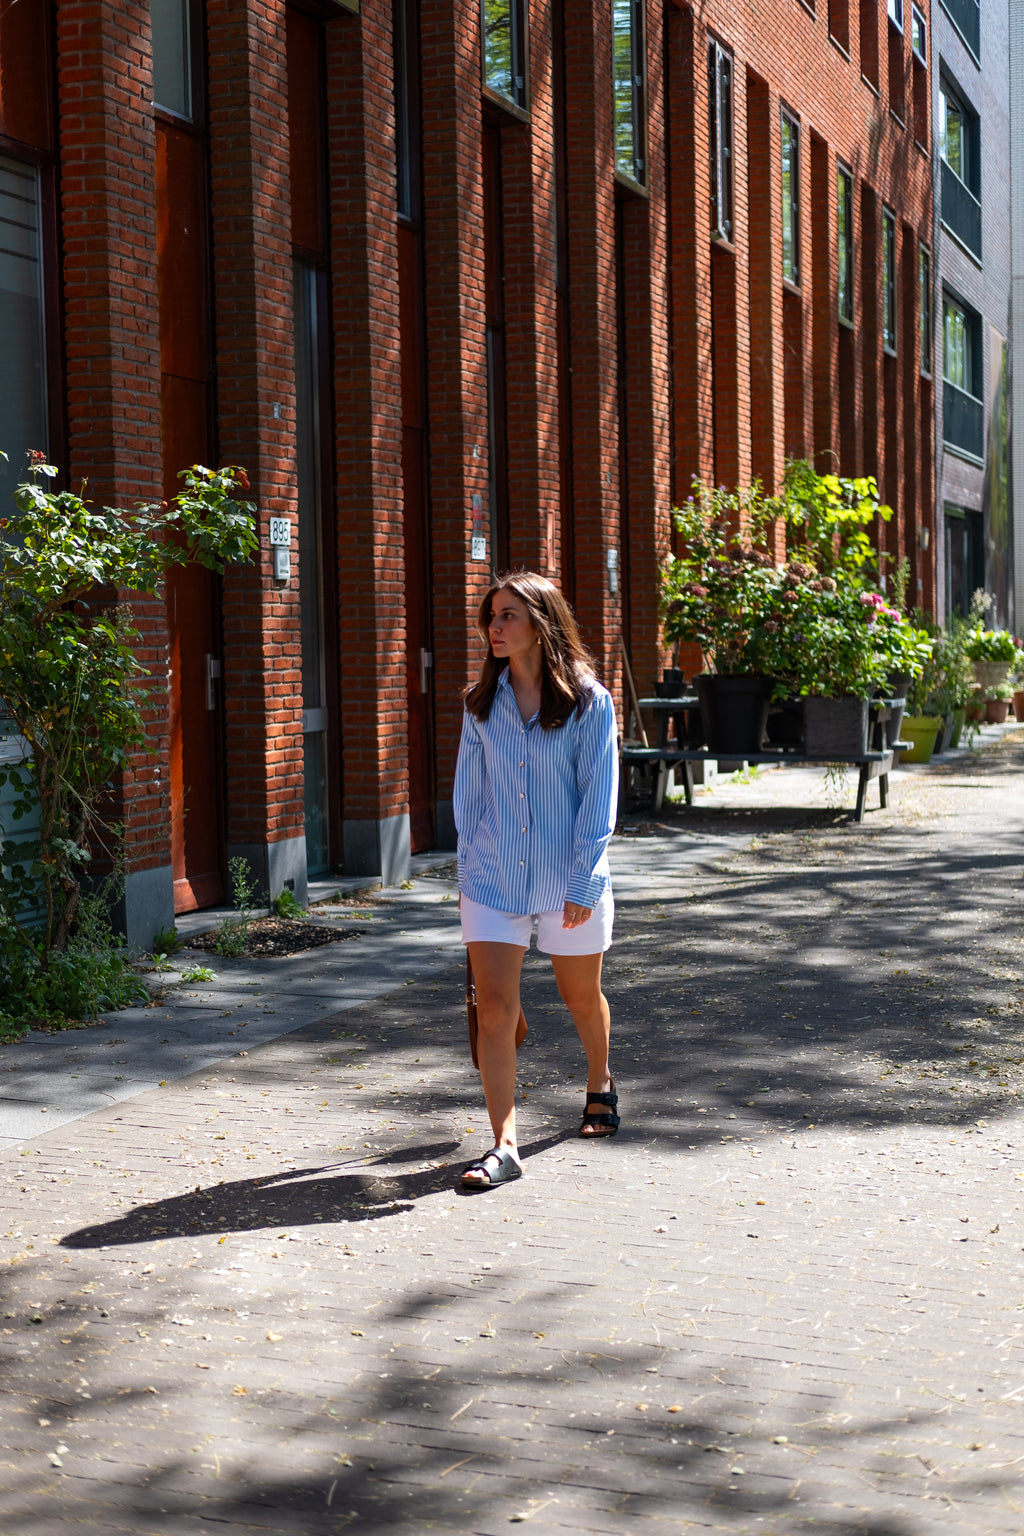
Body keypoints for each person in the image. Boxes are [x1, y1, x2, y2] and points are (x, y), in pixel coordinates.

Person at [453, 571, 620, 1190]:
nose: (493, 628)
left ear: (541, 623)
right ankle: (504, 1145)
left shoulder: (588, 701)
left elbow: (597, 797)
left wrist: (584, 879)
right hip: (494, 881)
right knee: (495, 1008)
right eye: (490, 617)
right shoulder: (480, 703)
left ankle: (599, 1079)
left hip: (568, 882)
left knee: (580, 998)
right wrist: (470, 870)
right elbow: (469, 797)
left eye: (507, 616)